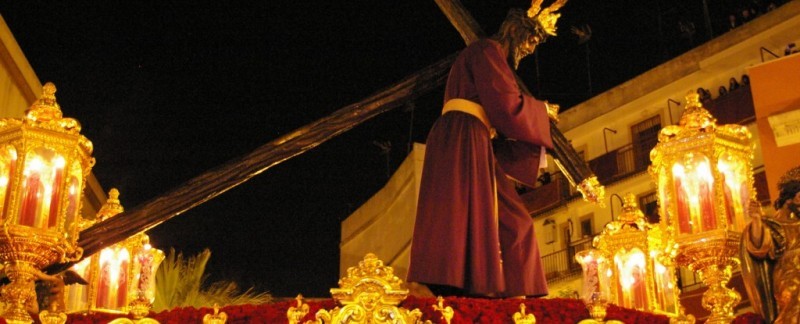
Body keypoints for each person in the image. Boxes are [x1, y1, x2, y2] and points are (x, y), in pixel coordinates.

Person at [407, 0, 565, 298]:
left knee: (512, 218)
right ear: (516, 30)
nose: (531, 48)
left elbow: (500, 107)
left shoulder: (490, 57)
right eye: (531, 39)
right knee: (457, 210)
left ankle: (516, 290)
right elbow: (506, 105)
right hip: (462, 136)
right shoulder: (486, 51)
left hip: (474, 139)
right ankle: (455, 280)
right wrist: (541, 111)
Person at [742, 166, 800, 323]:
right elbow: (758, 247)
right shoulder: (776, 224)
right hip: (791, 275)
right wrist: (756, 220)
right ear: (792, 198)